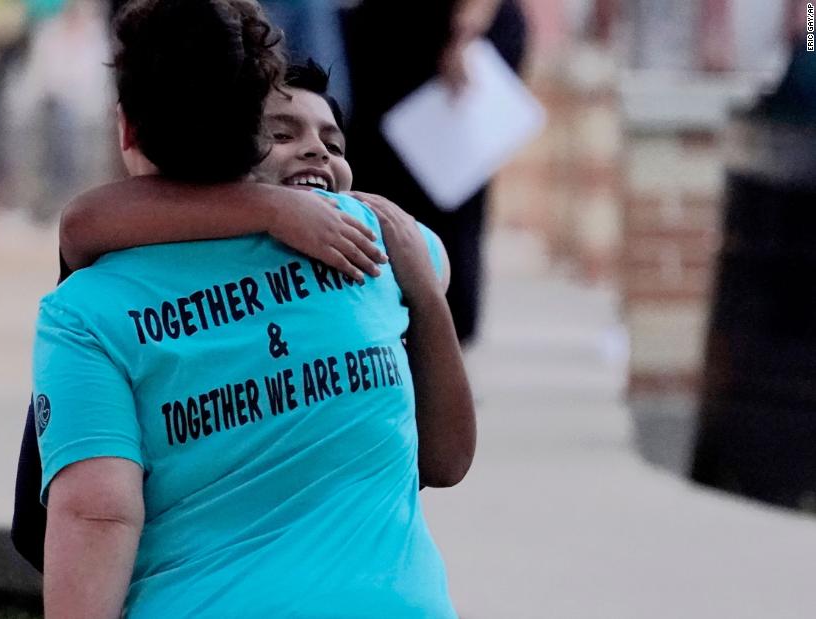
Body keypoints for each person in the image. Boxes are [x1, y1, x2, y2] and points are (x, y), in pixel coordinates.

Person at [34, 2, 473, 613]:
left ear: (126, 128)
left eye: (330, 140)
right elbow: (433, 266)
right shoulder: (369, 244)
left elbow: (98, 511)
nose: (316, 154)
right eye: (284, 131)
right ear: (253, 133)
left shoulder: (85, 310)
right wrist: (279, 211)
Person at [345, 0, 528, 346]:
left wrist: (464, 33)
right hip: (389, 37)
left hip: (440, 40)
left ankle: (439, 348)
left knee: (438, 201)